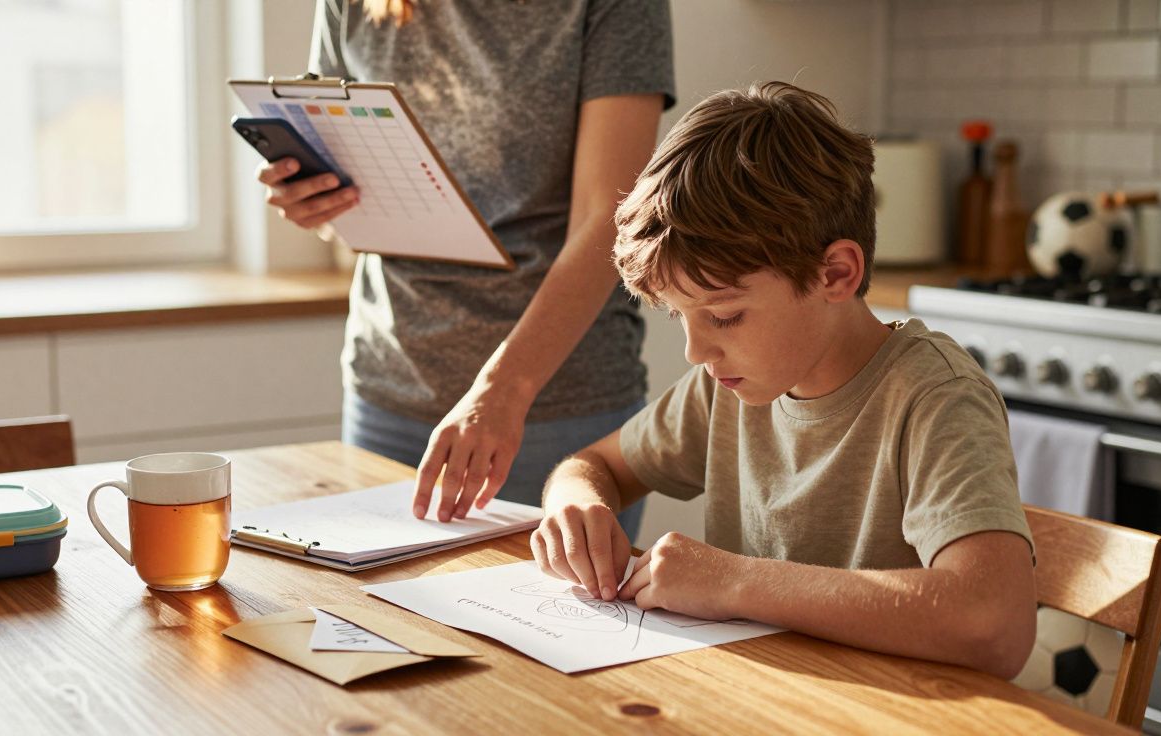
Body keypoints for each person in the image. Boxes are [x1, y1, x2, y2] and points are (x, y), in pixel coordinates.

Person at [531, 82, 1038, 678]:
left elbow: (994, 623)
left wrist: (734, 581)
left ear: (836, 273)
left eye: (723, 315)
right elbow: (593, 467)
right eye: (679, 316)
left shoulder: (934, 396)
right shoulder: (727, 387)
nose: (696, 350)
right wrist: (576, 508)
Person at [256, 0, 674, 538]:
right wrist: (316, 204)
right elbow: (355, 202)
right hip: (390, 388)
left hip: (556, 407)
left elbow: (608, 221)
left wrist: (502, 390)